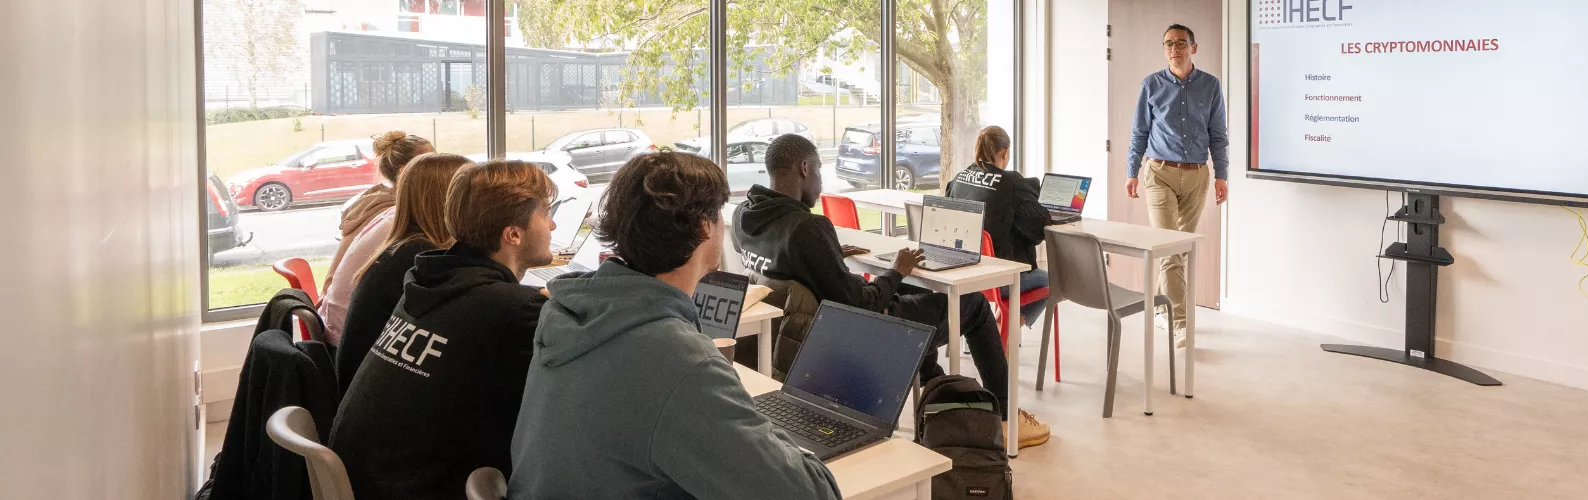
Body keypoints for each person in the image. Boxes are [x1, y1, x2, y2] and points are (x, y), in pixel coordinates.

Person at [508, 153, 842, 500]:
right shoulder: (675, 359)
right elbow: (810, 493)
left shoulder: (568, 313)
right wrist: (771, 436)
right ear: (703, 227)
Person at [731, 135, 1052, 449]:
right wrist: (896, 269)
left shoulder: (744, 216)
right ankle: (1008, 418)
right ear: (803, 168)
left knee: (915, 288)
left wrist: (829, 255)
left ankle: (936, 391)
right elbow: (864, 304)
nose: (821, 183)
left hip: (812, 330)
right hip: (859, 332)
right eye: (818, 170)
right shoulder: (807, 229)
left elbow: (784, 259)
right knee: (974, 304)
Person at [327, 160, 556, 500]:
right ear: (513, 234)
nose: (552, 224)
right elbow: (548, 414)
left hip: (369, 479)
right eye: (545, 213)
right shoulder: (513, 309)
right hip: (412, 488)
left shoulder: (424, 280)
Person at [331, 153, 469, 392]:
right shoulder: (419, 256)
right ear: (449, 200)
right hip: (374, 393)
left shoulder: (405, 244)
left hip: (361, 379)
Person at [1126, 23, 1228, 345]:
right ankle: (1179, 322)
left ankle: (1160, 308)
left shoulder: (1211, 86)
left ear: (1193, 47)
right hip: (1159, 173)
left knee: (1180, 248)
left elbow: (1218, 135)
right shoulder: (1151, 85)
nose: (1174, 49)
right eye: (1169, 43)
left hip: (1197, 175)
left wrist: (1222, 174)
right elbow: (1139, 132)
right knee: (1170, 249)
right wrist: (1131, 170)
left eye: (1181, 43)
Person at [318, 130, 434, 344]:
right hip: (347, 335)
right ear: (406, 171)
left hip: (331, 318)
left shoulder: (374, 202)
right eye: (430, 162)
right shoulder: (396, 215)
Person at [942, 126, 1052, 325]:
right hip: (996, 280)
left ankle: (1000, 323)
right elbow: (1040, 226)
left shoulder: (959, 179)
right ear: (1005, 152)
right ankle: (1006, 328)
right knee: (1054, 281)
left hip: (963, 274)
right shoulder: (1011, 184)